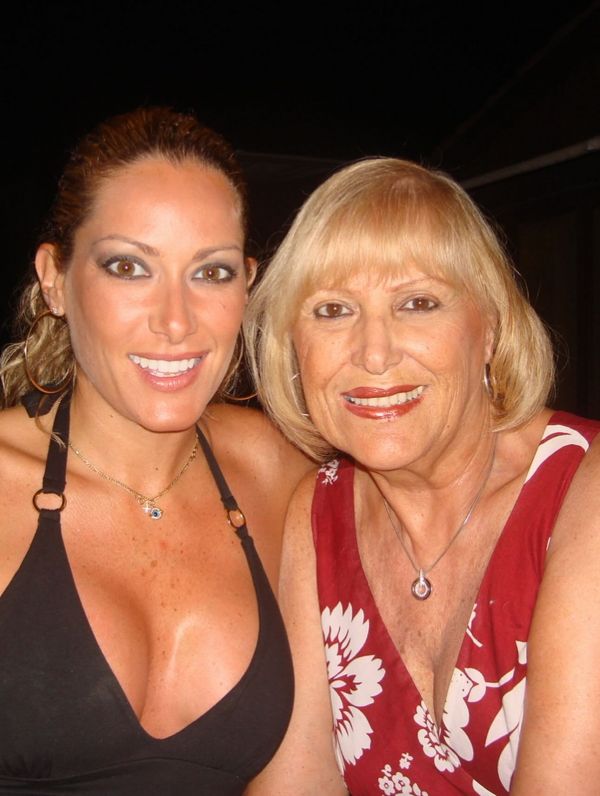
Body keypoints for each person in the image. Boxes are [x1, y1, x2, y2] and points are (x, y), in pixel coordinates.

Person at [245, 158, 600, 795]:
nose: (374, 354)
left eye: (417, 303)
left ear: (489, 329)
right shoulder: (317, 513)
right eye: (333, 310)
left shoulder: (582, 491)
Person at [0, 107, 310, 795]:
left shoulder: (280, 470)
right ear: (54, 279)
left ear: (248, 284)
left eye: (212, 273)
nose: (176, 321)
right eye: (128, 266)